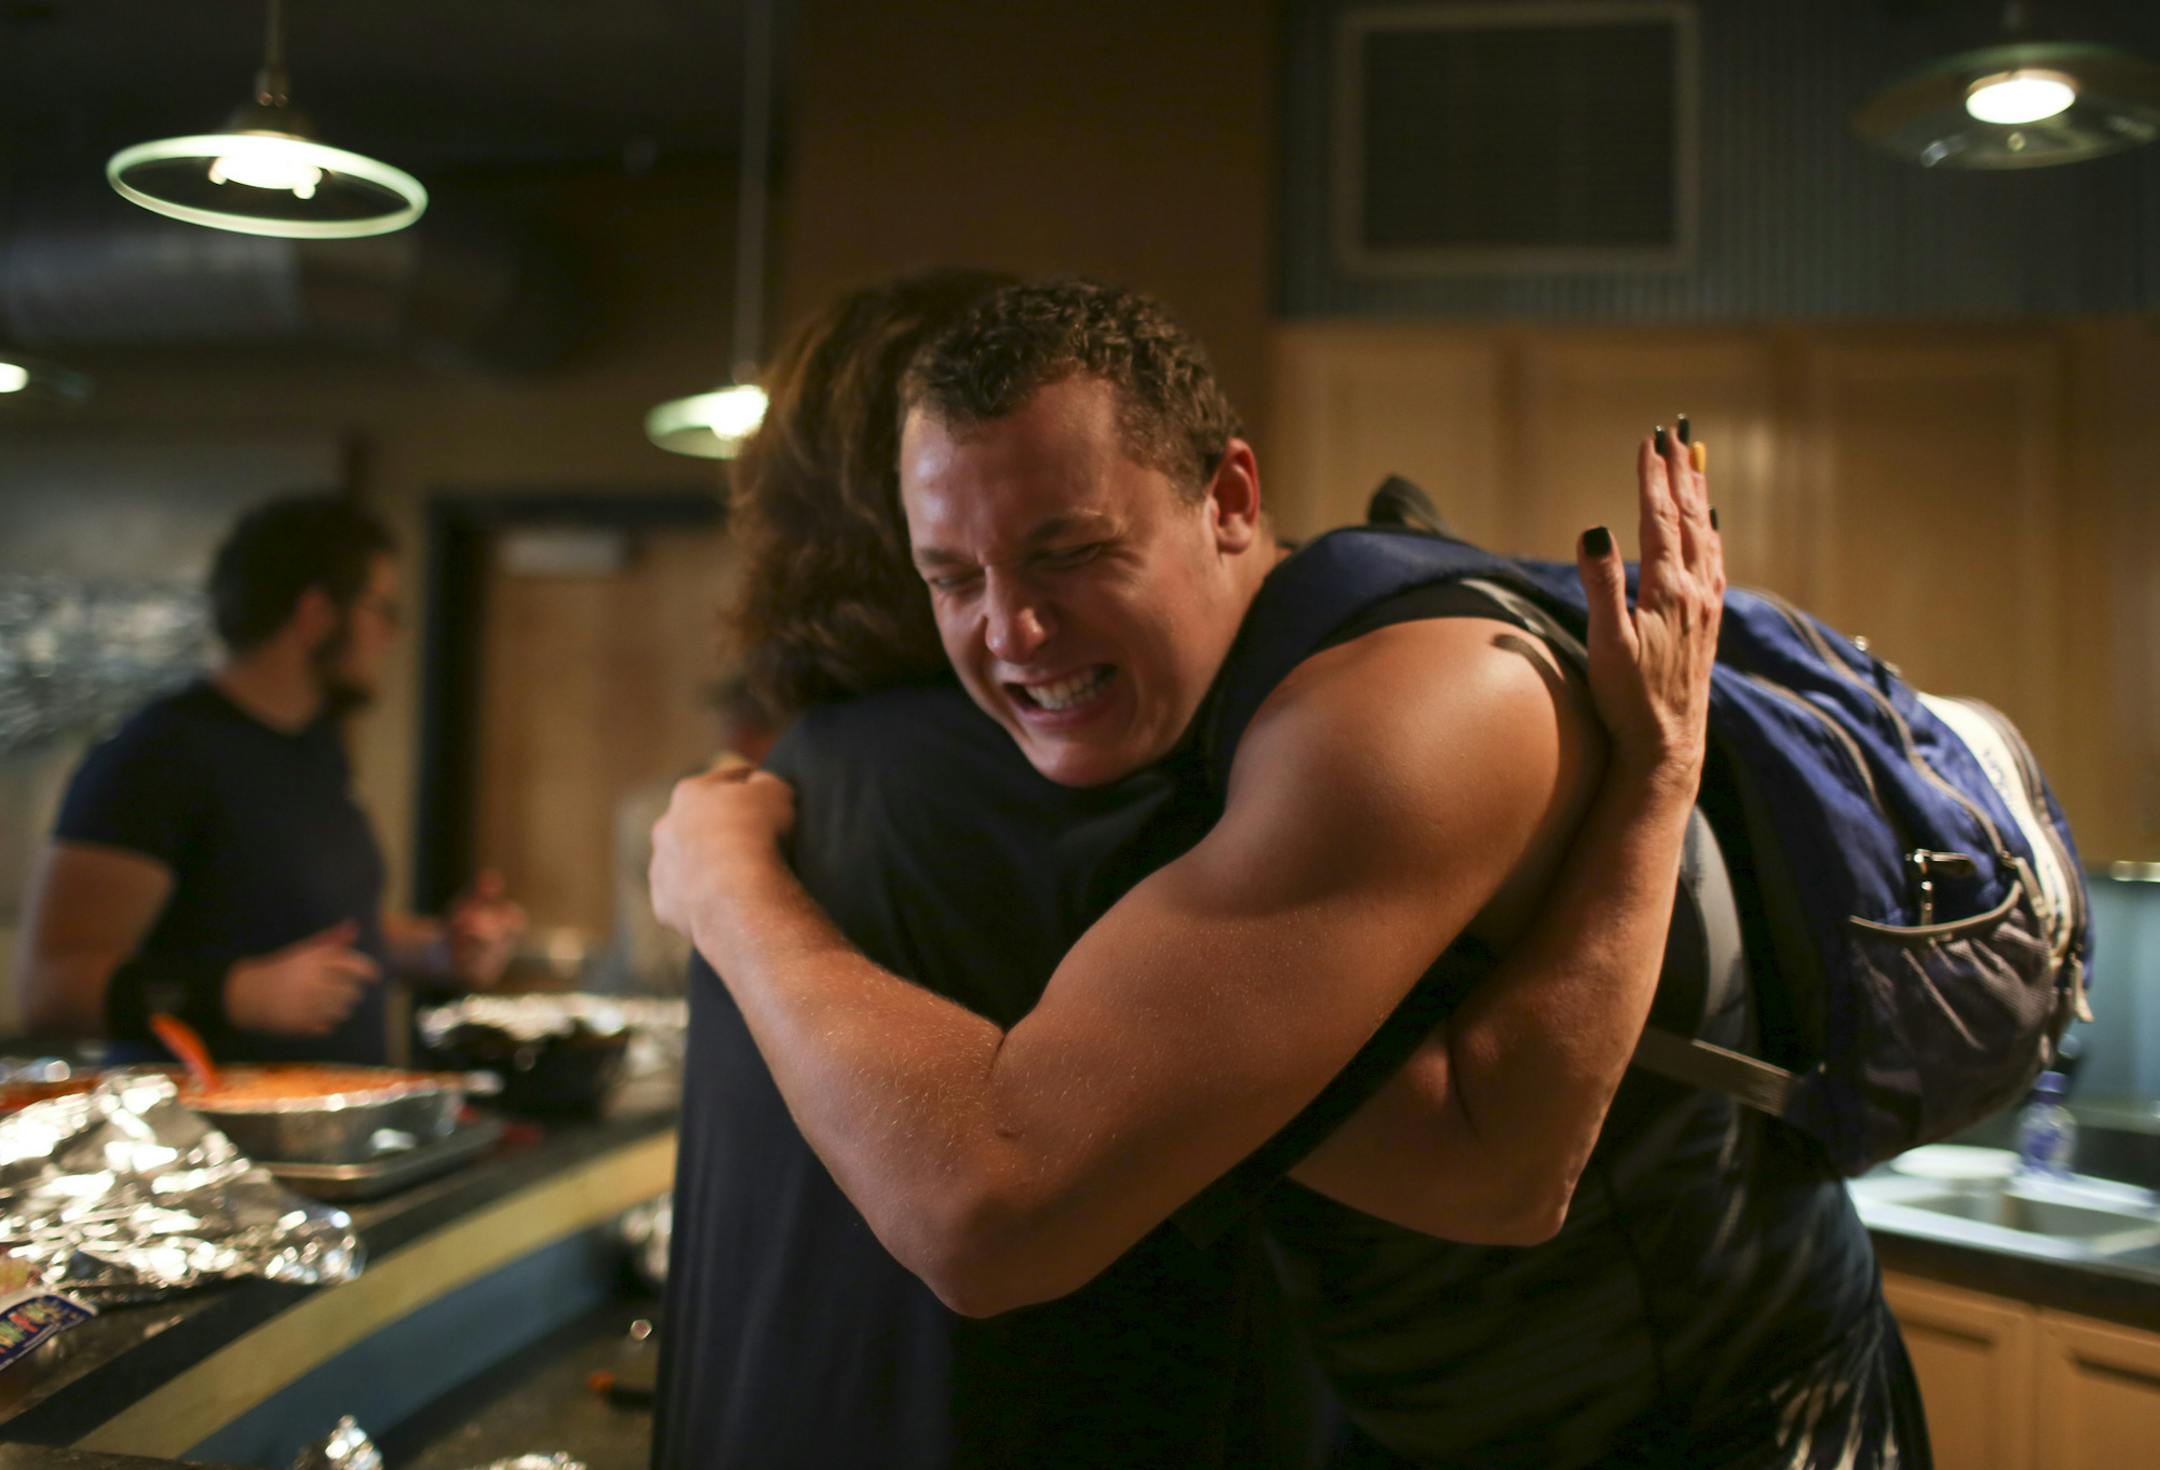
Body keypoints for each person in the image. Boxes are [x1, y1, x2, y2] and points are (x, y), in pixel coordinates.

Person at [652, 279, 1927, 1467]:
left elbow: (1496, 1172)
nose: (1013, 630)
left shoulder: (1406, 713)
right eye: (953, 577)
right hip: (1461, 1429)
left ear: (1228, 498)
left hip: (1728, 1424)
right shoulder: (1187, 745)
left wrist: (725, 885)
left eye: (1071, 551)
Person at [15, 494, 525, 1064]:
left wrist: (438, 951)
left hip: (332, 1110)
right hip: (202, 1117)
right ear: (316, 614)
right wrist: (237, 994)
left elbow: (318, 928)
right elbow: (50, 988)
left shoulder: (312, 746)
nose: (391, 635)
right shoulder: (159, 756)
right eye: (382, 610)